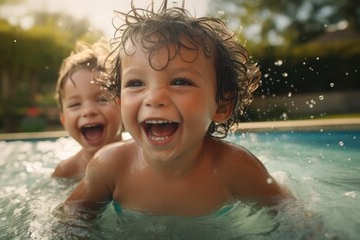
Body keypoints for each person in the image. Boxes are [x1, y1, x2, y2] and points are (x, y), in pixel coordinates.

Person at [62, 1, 292, 217]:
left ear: (221, 106)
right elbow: (67, 223)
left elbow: (293, 218)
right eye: (136, 83)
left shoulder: (233, 167)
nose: (154, 97)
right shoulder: (110, 165)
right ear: (121, 102)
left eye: (180, 82)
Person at [52, 39, 124, 179]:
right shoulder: (67, 171)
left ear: (122, 107)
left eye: (102, 99)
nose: (88, 111)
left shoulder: (142, 159)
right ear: (63, 119)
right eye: (75, 105)